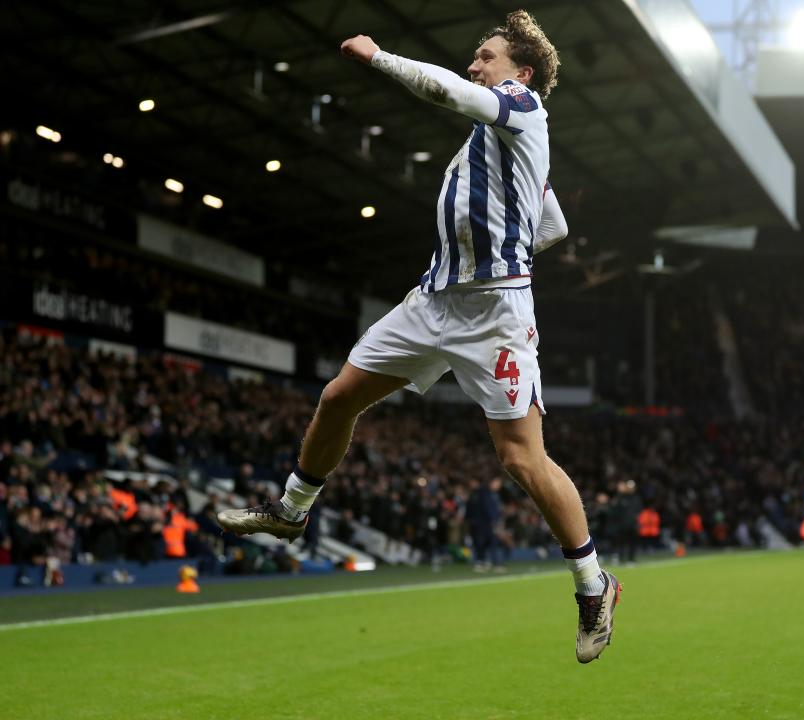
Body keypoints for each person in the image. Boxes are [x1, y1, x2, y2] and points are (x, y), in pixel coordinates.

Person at [217, 9, 621, 664]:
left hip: (493, 315)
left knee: (521, 460)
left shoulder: (519, 105)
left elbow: (450, 91)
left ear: (519, 71)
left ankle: (593, 585)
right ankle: (291, 511)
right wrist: (513, 239)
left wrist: (380, 58)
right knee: (339, 395)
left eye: (485, 55)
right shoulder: (497, 143)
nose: (474, 64)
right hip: (433, 302)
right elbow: (553, 226)